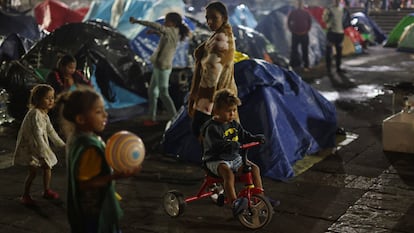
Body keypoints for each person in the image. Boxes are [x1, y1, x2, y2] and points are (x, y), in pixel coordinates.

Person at [60, 86, 140, 233]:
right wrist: (117, 175)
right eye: (98, 111)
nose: (105, 115)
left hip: (86, 211)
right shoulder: (89, 146)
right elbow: (85, 184)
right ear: (81, 118)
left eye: (104, 109)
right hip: (94, 213)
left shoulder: (78, 137)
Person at [201, 89, 265, 217]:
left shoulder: (234, 124)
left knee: (254, 169)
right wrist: (231, 145)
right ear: (216, 111)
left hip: (233, 158)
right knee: (228, 175)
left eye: (234, 110)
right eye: (228, 111)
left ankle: (260, 198)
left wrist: (254, 138)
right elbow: (215, 145)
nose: (232, 114)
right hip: (216, 159)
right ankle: (234, 203)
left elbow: (244, 135)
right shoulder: (212, 128)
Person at [129, 12, 191, 126]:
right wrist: (155, 33)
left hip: (163, 67)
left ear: (173, 23)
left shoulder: (171, 31)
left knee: (163, 93)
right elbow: (164, 36)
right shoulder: (172, 32)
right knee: (152, 92)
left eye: (167, 21)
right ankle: (152, 117)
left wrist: (137, 21)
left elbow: (155, 25)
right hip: (159, 65)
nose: (165, 23)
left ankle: (176, 118)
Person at [188, 1, 238, 139]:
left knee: (205, 131)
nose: (209, 21)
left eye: (214, 18)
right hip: (222, 93)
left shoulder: (220, 40)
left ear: (224, 18)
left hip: (215, 97)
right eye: (207, 18)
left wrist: (203, 107)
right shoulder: (221, 34)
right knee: (221, 136)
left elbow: (211, 77)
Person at [13, 84, 65, 205]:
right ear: (37, 100)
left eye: (52, 97)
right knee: (33, 172)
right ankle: (25, 195)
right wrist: (43, 152)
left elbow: (51, 131)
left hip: (39, 146)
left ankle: (46, 190)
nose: (51, 100)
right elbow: (37, 134)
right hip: (31, 147)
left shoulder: (44, 115)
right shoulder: (35, 114)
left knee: (47, 167)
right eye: (47, 98)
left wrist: (62, 145)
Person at [287, 0, 312, 72]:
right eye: (299, 3)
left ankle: (306, 66)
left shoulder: (306, 13)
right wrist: (292, 30)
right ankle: (294, 65)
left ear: (303, 4)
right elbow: (288, 22)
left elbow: (310, 22)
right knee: (294, 50)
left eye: (301, 3)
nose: (300, 5)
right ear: (297, 4)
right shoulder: (293, 13)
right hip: (295, 34)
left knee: (305, 50)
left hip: (304, 34)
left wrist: (306, 30)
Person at [323, 0, 347, 75]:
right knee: (328, 52)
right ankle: (328, 69)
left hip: (340, 33)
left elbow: (345, 20)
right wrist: (327, 15)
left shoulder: (343, 9)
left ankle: (338, 68)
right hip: (331, 33)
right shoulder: (329, 9)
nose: (336, 1)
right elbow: (324, 19)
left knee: (339, 52)